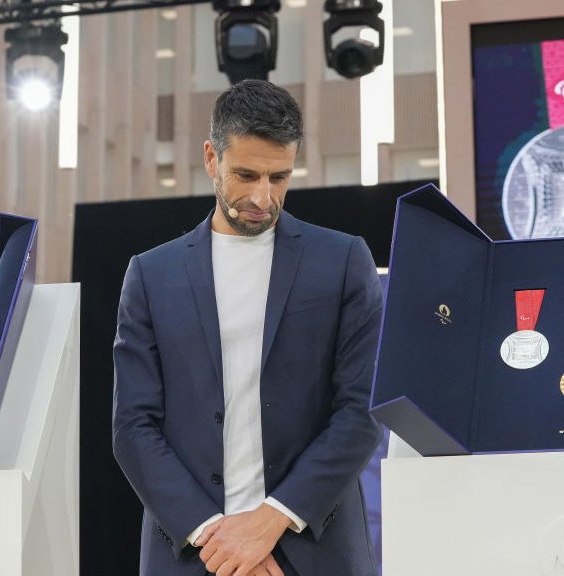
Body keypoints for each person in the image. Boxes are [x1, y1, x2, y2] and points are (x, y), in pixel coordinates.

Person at [113, 79, 382, 576]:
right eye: (246, 174)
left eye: (279, 177)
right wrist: (217, 539)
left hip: (314, 551)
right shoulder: (152, 275)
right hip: (192, 553)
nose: (263, 196)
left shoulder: (343, 261)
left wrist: (268, 523)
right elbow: (133, 426)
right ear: (212, 157)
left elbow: (360, 412)